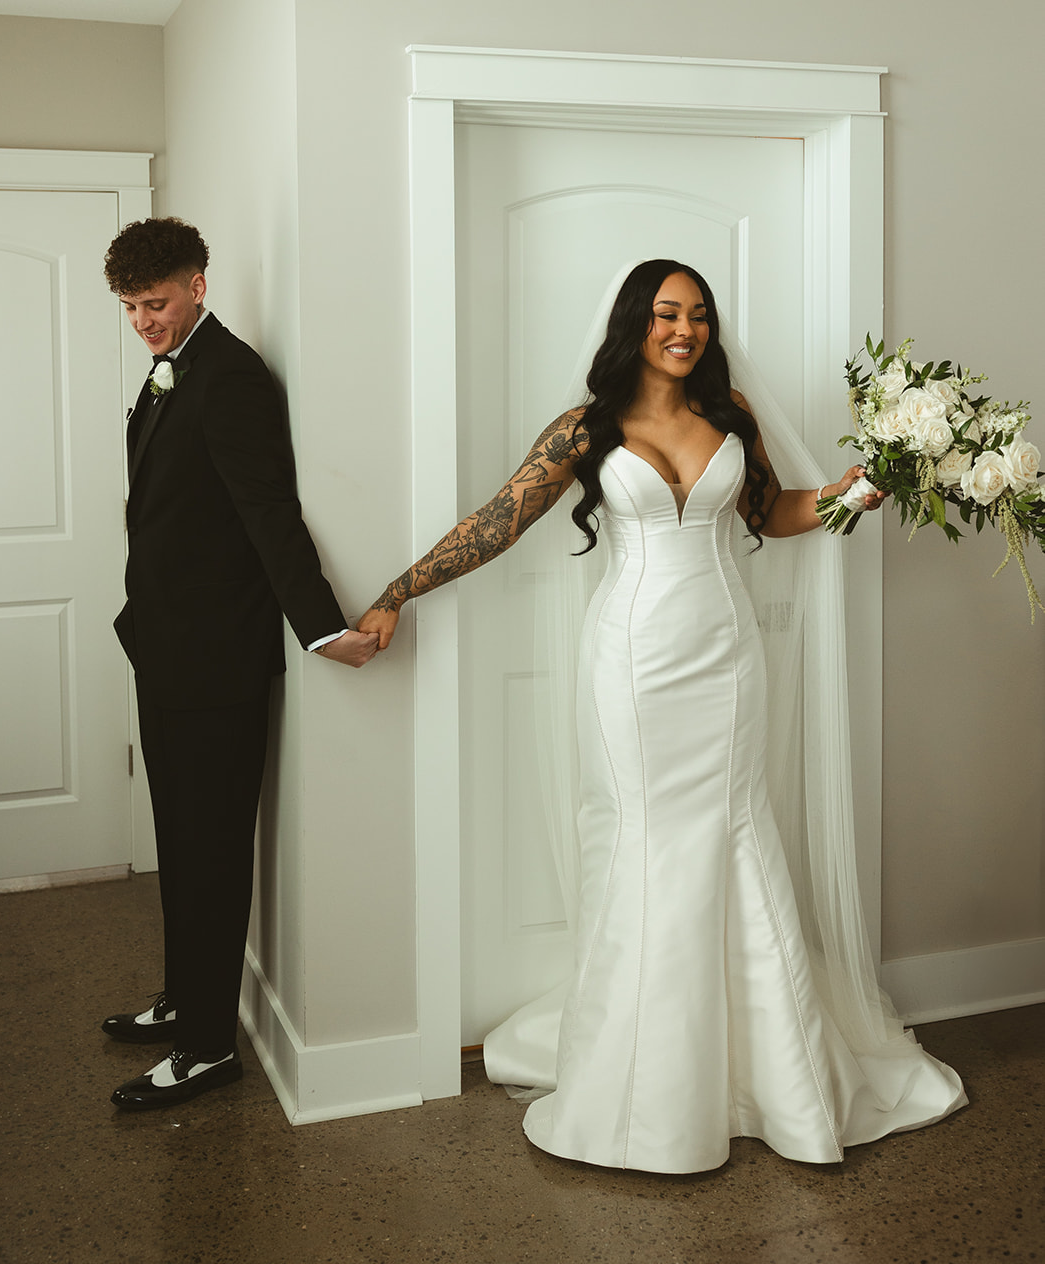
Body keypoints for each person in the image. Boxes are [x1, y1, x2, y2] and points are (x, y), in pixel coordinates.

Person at [358, 258, 966, 1173]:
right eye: (665, 313)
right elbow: (497, 521)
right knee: (646, 840)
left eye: (697, 316)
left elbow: (772, 509)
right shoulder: (585, 428)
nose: (683, 330)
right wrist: (397, 592)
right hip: (631, 665)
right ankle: (640, 1081)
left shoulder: (731, 419)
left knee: (733, 833)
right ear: (634, 323)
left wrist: (846, 494)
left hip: (726, 661)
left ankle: (773, 1076)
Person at [102, 217, 376, 1110]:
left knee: (211, 847)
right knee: (177, 840)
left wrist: (323, 627)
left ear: (197, 286)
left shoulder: (231, 377)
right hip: (166, 647)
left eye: (157, 302)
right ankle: (186, 999)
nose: (145, 321)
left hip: (217, 658)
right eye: (132, 307)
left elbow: (268, 512)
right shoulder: (168, 369)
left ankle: (210, 1049)